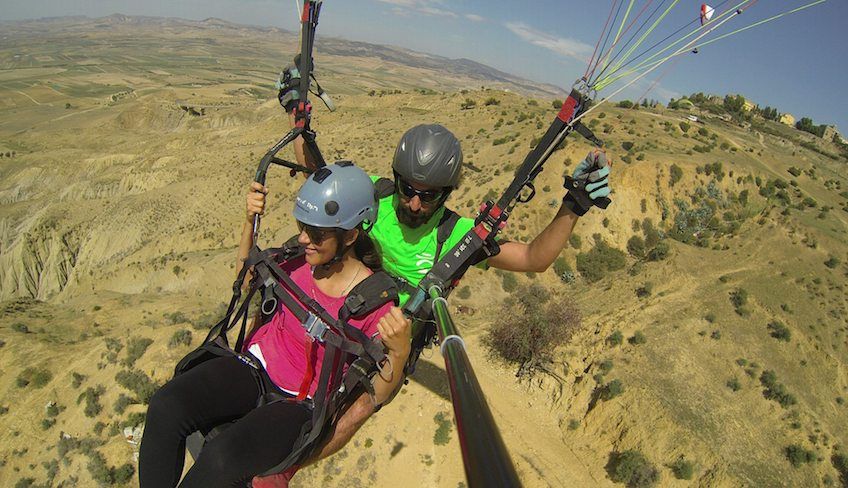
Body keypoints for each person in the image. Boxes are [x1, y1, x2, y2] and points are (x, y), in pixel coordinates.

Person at [251, 119, 612, 480]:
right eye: (408, 189)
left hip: (386, 343)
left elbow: (534, 258)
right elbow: (317, 176)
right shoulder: (373, 194)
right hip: (340, 311)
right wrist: (297, 119)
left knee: (362, 405)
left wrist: (573, 205)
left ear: (447, 193)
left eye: (429, 195)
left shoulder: (457, 237)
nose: (414, 203)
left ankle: (286, 470)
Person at [138, 163, 411, 488]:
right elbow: (248, 275)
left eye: (317, 233)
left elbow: (375, 395)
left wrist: (400, 350)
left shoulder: (372, 302)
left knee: (222, 458)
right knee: (166, 406)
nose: (303, 238)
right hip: (255, 364)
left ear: (350, 235)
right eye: (302, 226)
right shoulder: (300, 259)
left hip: (297, 403)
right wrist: (248, 221)